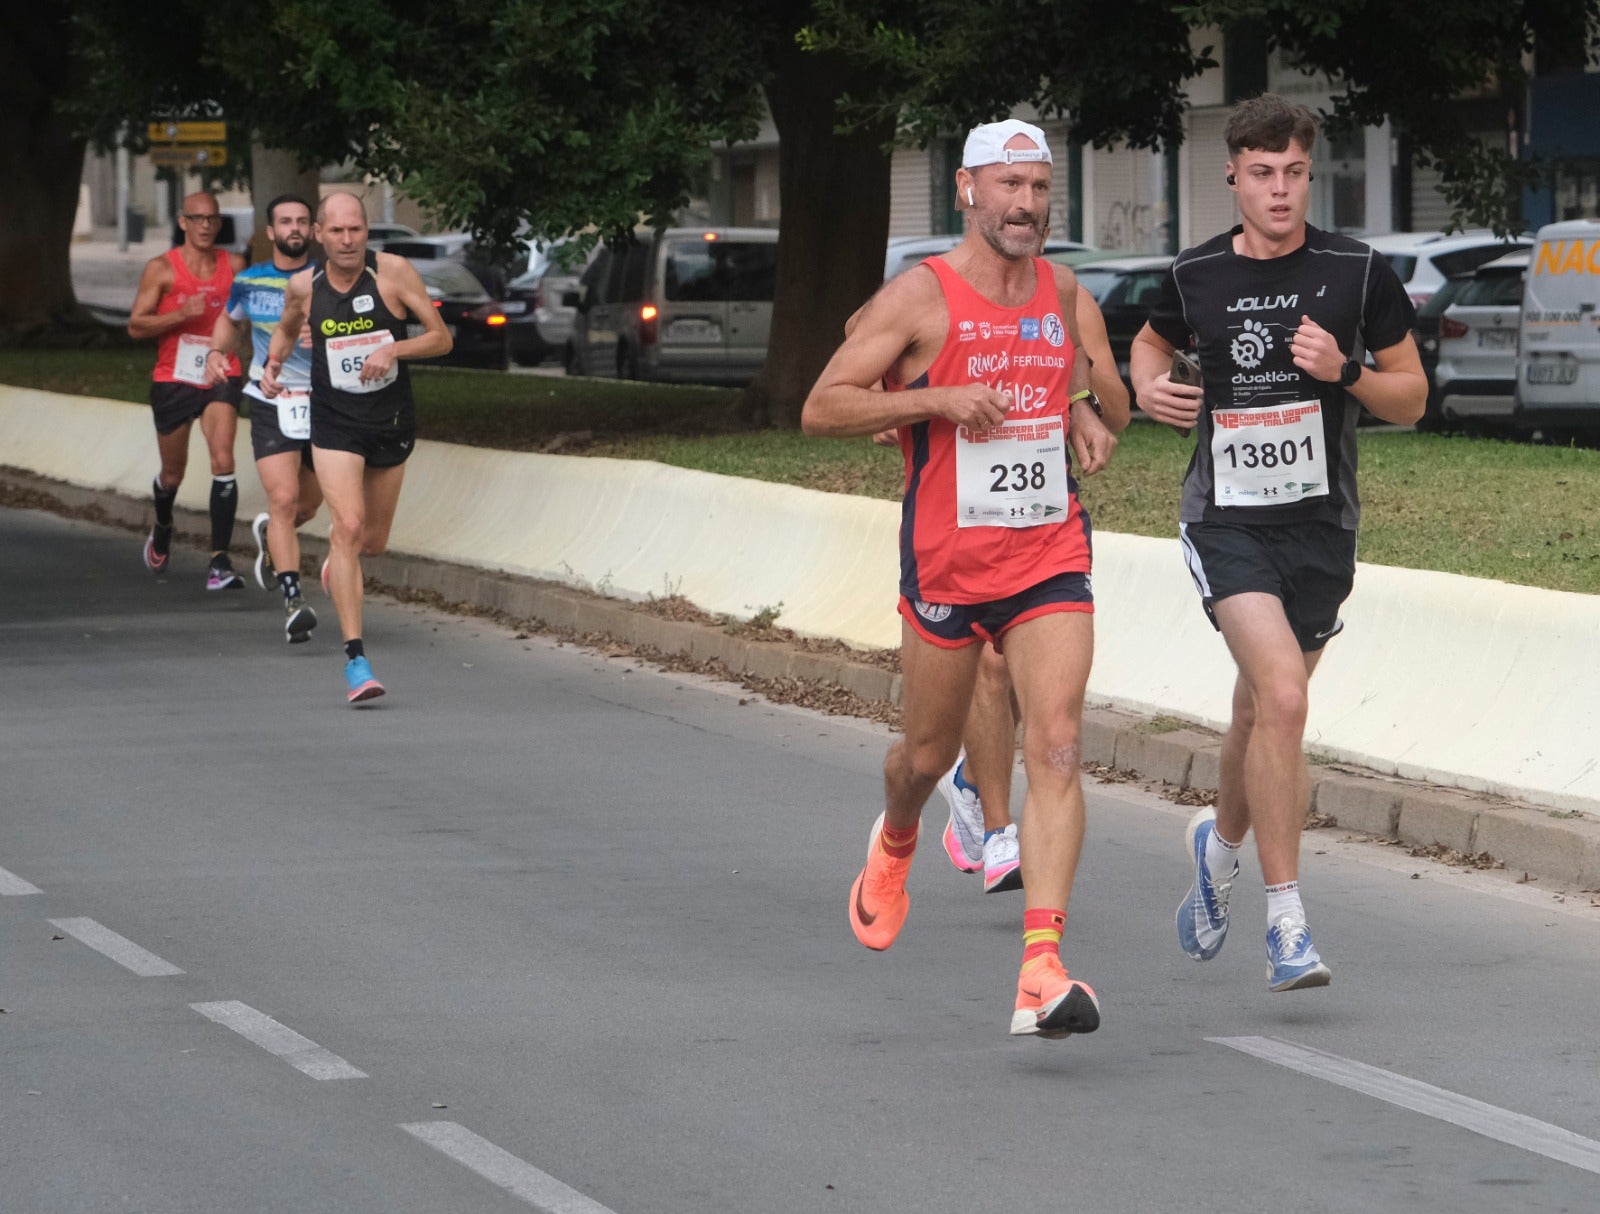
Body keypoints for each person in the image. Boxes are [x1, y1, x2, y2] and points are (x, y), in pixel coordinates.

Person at [803, 119, 1117, 1040]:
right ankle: (898, 834)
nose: (1026, 205)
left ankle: (1041, 969)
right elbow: (822, 407)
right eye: (1008, 186)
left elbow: (1079, 390)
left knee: (1056, 745)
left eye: (1039, 188)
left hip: (1048, 550)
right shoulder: (921, 297)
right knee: (926, 757)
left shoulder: (1063, 290)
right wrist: (936, 398)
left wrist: (1086, 413)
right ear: (967, 192)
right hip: (947, 559)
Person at [1129, 94, 1425, 991]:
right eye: (1263, 173)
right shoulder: (1195, 276)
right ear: (1234, 177)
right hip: (1225, 522)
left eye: (1295, 171)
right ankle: (1287, 924)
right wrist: (1149, 390)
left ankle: (1218, 851)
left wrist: (1347, 371)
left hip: (1320, 529)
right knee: (1286, 700)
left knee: (1260, 713)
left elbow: (1410, 398)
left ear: (1310, 171)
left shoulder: (1356, 271)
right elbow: (1146, 346)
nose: (1281, 189)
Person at [936, 278, 1132, 894]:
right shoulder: (940, 290)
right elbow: (860, 334)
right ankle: (999, 833)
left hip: (1046, 522)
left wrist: (1079, 391)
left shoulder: (1069, 300)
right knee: (991, 669)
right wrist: (904, 395)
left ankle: (971, 776)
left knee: (1031, 683)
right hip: (964, 519)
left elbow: (1119, 411)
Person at [262, 191, 452, 702]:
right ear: (319, 235)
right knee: (346, 526)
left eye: (357, 231)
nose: (347, 241)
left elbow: (441, 338)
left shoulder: (392, 274)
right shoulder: (305, 285)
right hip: (335, 422)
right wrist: (272, 366)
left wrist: (394, 347)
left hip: (389, 421)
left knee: (371, 542)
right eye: (337, 231)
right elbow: (284, 330)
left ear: (367, 233)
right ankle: (356, 660)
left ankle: (338, 563)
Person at [206, 194, 322, 643]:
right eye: (284, 222)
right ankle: (294, 601)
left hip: (324, 406)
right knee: (285, 498)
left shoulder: (329, 282)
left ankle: (271, 538)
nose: (294, 228)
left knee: (306, 506)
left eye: (302, 221)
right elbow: (230, 322)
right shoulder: (250, 280)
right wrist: (218, 352)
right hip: (271, 400)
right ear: (270, 232)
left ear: (313, 231)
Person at [127, 192, 247, 588]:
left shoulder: (235, 266)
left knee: (223, 457)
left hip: (220, 372)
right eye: (197, 218)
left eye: (212, 219)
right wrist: (180, 313)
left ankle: (219, 562)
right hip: (174, 378)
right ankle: (163, 524)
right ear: (183, 222)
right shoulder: (161, 269)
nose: (206, 226)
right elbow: (136, 326)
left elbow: (246, 320)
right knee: (173, 474)